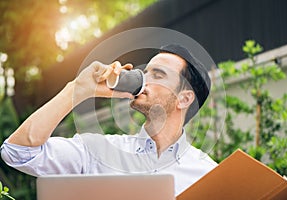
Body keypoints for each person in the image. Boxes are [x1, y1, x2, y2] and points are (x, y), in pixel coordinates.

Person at [0, 44, 217, 196]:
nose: (144, 79)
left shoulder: (209, 175)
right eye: (145, 72)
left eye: (158, 75)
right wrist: (78, 89)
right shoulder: (98, 152)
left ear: (184, 98)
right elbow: (18, 151)